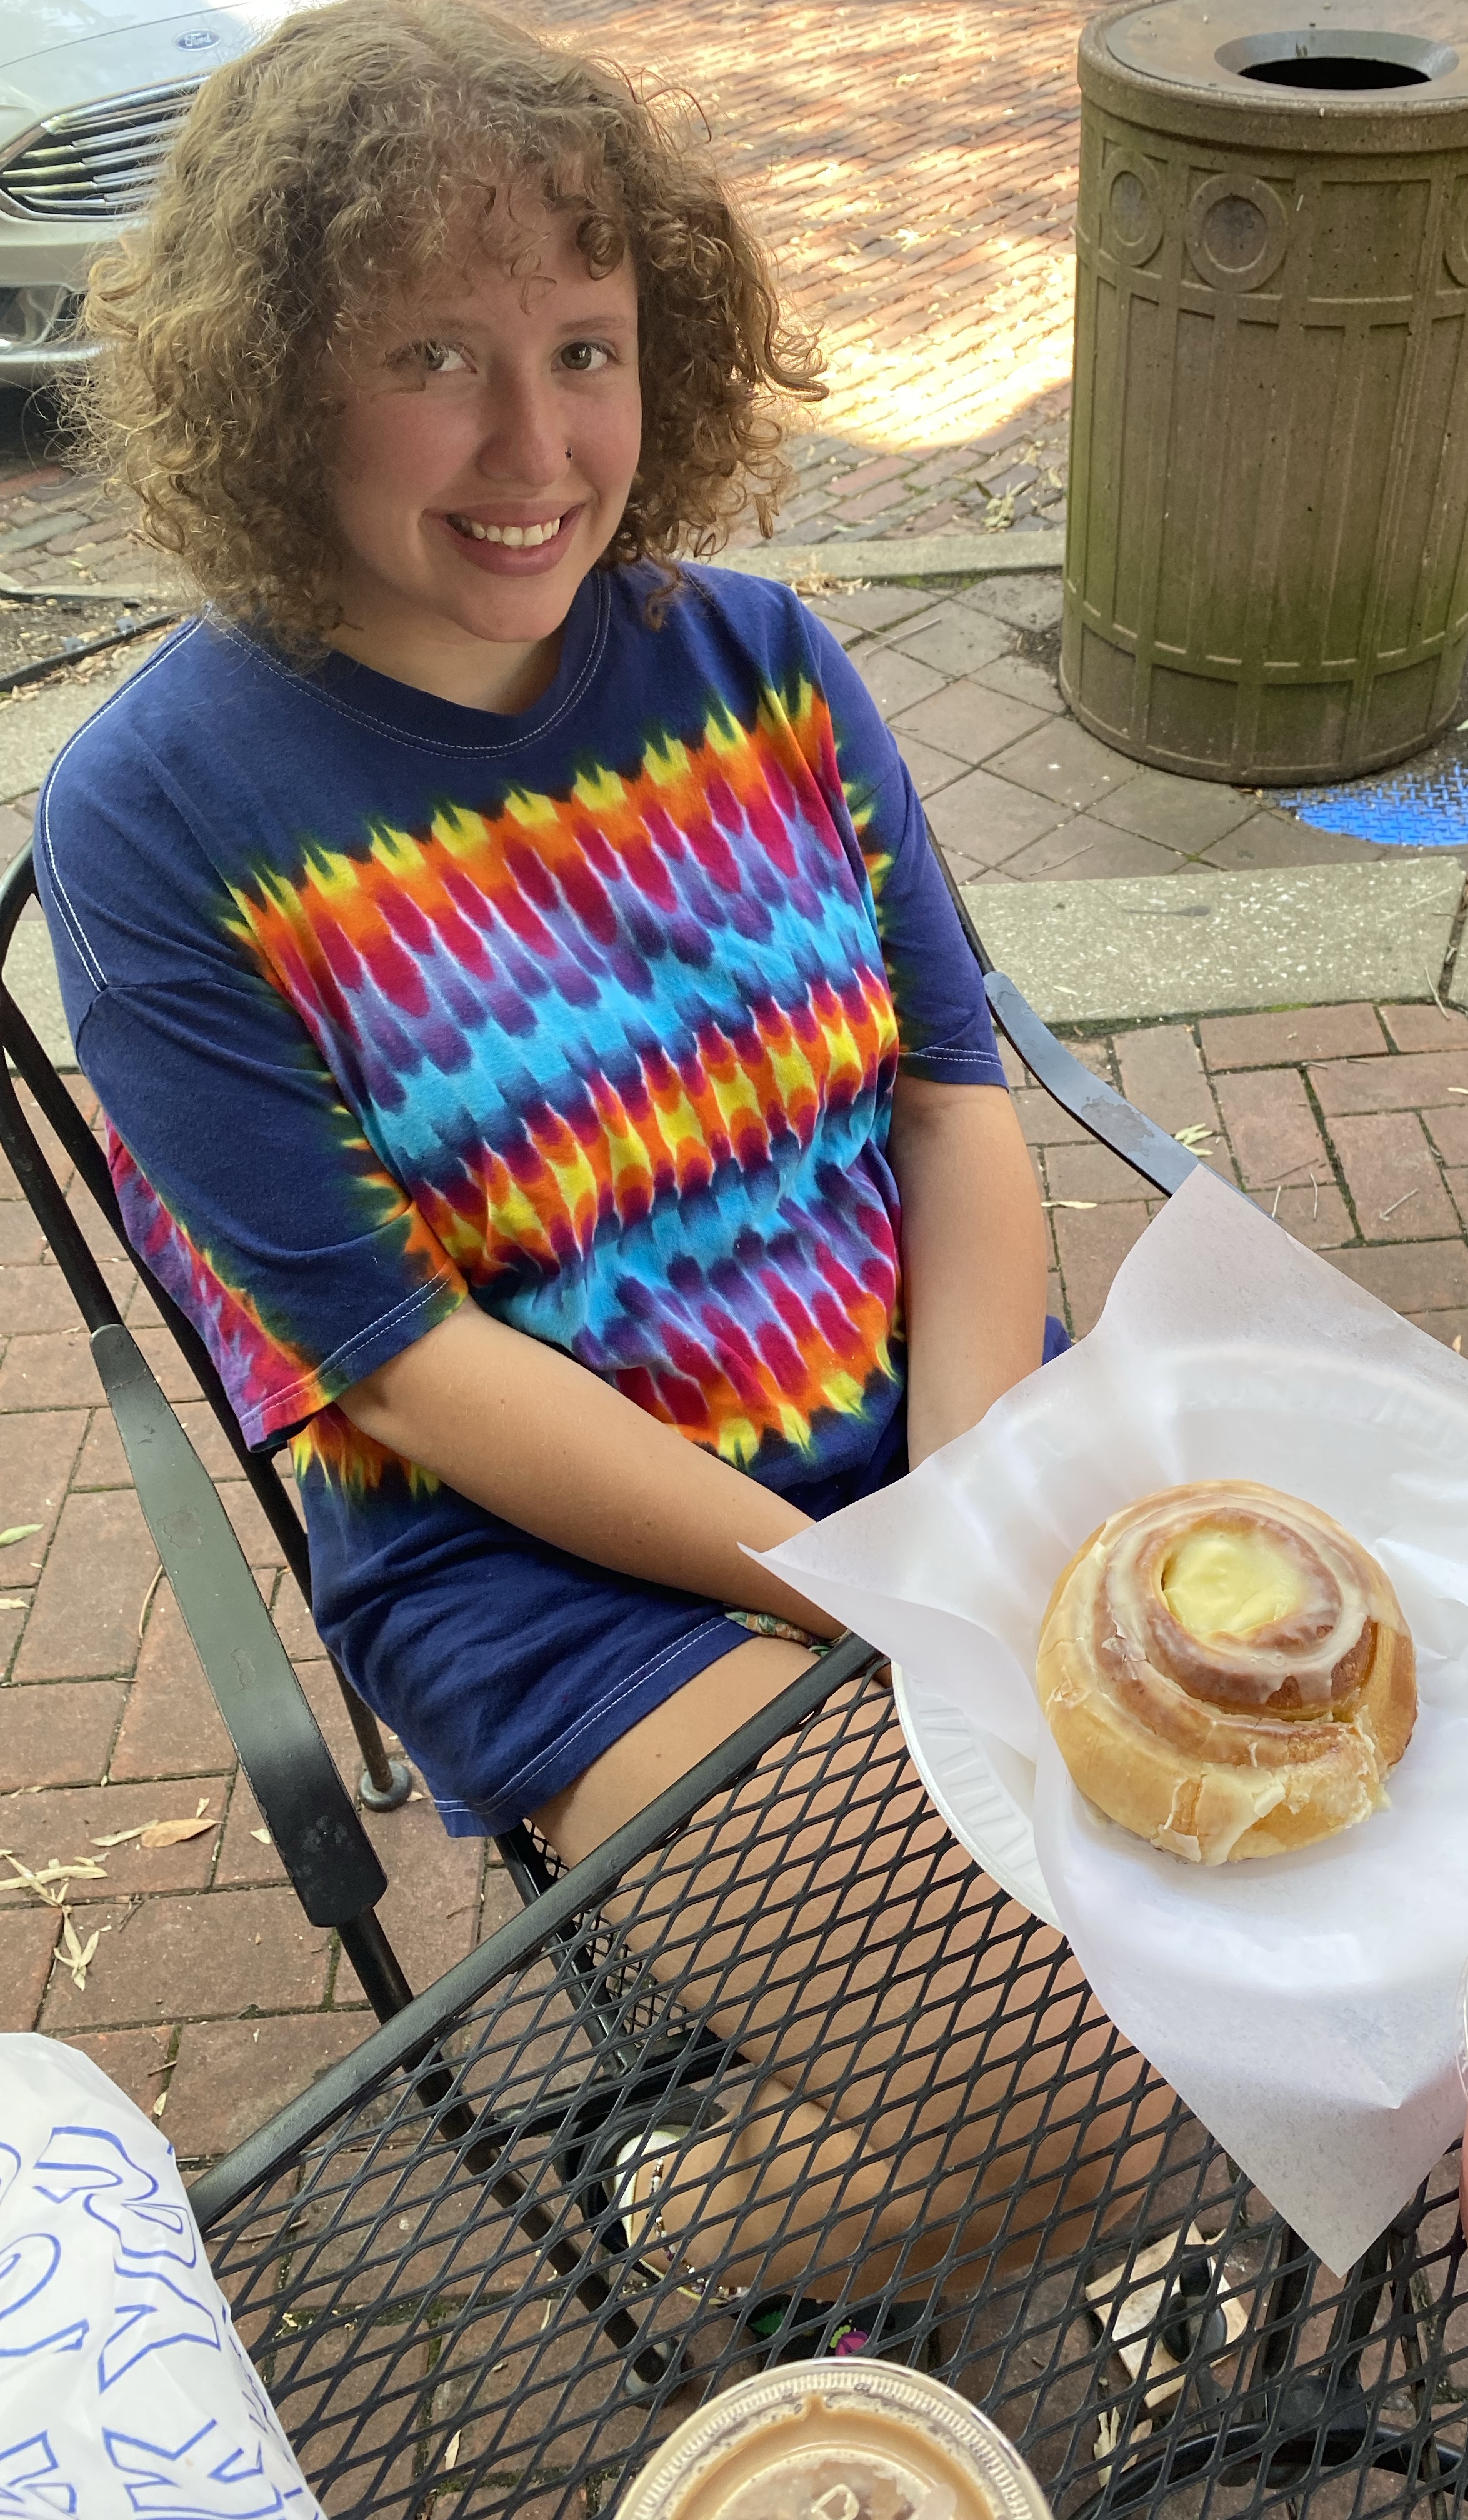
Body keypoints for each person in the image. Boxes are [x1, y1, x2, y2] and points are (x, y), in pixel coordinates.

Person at [41, 0, 1162, 2322]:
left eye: (591, 342)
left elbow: (952, 1100)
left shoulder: (760, 660)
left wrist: (959, 1509)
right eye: (434, 353)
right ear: (275, 381)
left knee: (1367, 1891)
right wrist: (849, 1595)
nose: (539, 444)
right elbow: (401, 1359)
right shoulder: (157, 813)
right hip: (555, 1564)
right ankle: (702, 2220)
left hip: (947, 1421)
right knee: (1098, 2103)